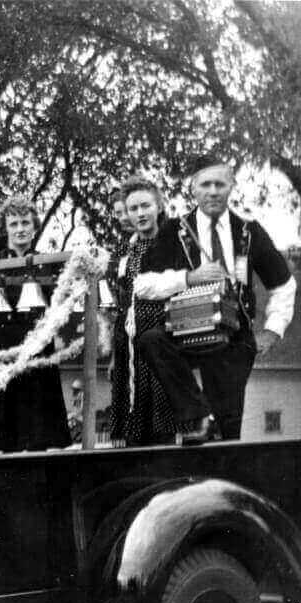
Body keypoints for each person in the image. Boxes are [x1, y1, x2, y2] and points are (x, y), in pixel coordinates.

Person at [136, 155, 296, 441]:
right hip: (186, 330)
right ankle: (196, 414)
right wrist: (188, 277)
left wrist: (272, 331)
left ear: (231, 187)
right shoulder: (175, 230)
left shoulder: (249, 231)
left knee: (227, 427)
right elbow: (143, 284)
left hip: (235, 338)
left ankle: (215, 445)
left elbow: (283, 285)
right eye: (205, 184)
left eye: (219, 184)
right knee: (151, 339)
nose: (212, 191)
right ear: (193, 189)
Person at [0, 195, 71, 452]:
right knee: (3, 433)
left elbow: (57, 310)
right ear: (5, 228)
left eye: (25, 222)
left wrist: (49, 341)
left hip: (36, 345)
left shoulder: (48, 266)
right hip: (3, 344)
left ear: (35, 226)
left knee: (37, 432)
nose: (20, 229)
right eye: (14, 224)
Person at [107, 175, 176, 446]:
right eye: (133, 209)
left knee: (161, 419)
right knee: (132, 424)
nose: (140, 213)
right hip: (129, 343)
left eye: (145, 206)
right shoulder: (126, 249)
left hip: (161, 337)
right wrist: (115, 353)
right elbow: (122, 303)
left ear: (159, 206)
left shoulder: (173, 243)